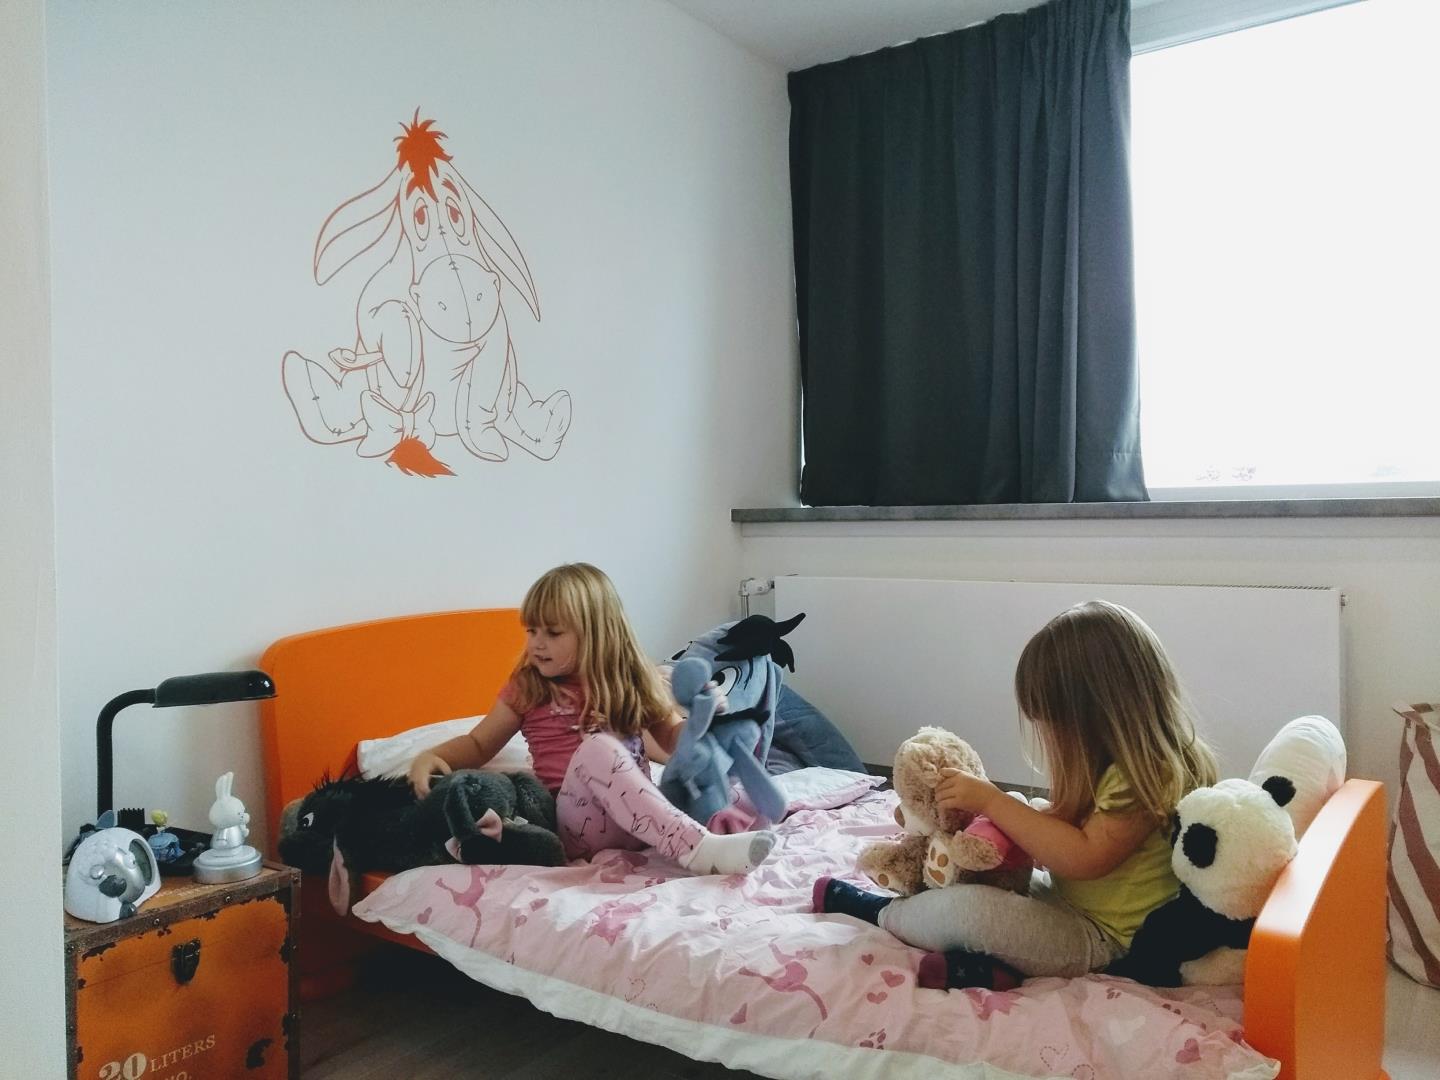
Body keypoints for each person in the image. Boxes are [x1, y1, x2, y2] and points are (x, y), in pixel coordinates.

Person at [814, 600, 1218, 990]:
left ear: (1092, 715)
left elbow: (1084, 858)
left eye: (1053, 724)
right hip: (1068, 903)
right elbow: (1074, 837)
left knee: (972, 912)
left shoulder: (1149, 773)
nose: (1051, 738)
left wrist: (994, 802)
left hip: (1107, 938)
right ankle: (990, 970)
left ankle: (884, 913)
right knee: (982, 879)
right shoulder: (1122, 765)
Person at [409, 562, 777, 875]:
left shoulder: (631, 678)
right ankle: (697, 849)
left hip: (640, 820)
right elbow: (478, 743)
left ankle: (733, 826)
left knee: (727, 786)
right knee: (598, 747)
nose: (537, 643)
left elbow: (670, 739)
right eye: (531, 631)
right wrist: (434, 756)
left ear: (595, 633)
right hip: (578, 828)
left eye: (552, 633)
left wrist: (702, 725)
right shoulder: (528, 686)